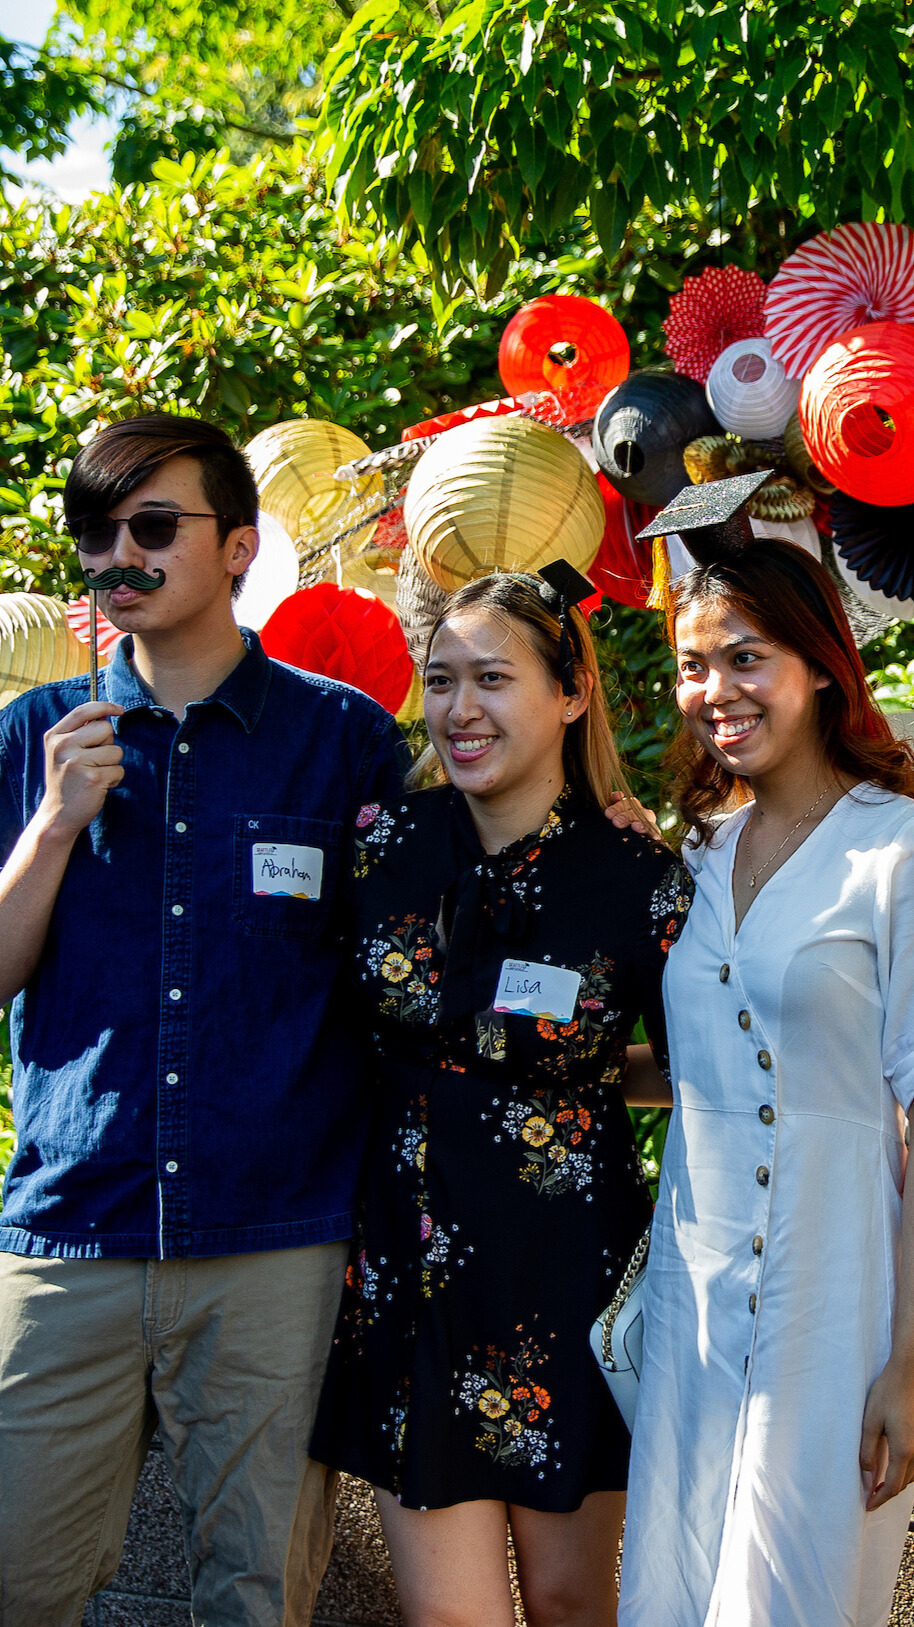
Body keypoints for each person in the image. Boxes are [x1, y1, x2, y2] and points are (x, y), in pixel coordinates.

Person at [0, 413, 408, 1626]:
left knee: (255, 1598)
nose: (118, 553)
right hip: (72, 1229)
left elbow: (399, 970)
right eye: (95, 531)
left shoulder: (342, 741)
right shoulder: (32, 739)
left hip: (275, 1235)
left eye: (152, 525)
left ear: (237, 546)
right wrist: (54, 823)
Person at [310, 569, 692, 1627]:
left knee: (574, 1603)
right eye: (440, 681)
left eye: (491, 678)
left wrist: (567, 1078)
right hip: (406, 1267)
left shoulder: (637, 876)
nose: (459, 708)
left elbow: (698, 1073)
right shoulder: (382, 842)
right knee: (447, 1617)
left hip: (568, 1269)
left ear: (569, 693)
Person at [617, 534, 914, 1627]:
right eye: (691, 665)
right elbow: (695, 1071)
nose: (711, 691)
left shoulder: (894, 849)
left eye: (743, 658)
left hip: (835, 1304)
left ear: (819, 665)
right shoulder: (689, 854)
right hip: (693, 1308)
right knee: (673, 1591)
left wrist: (908, 1361)